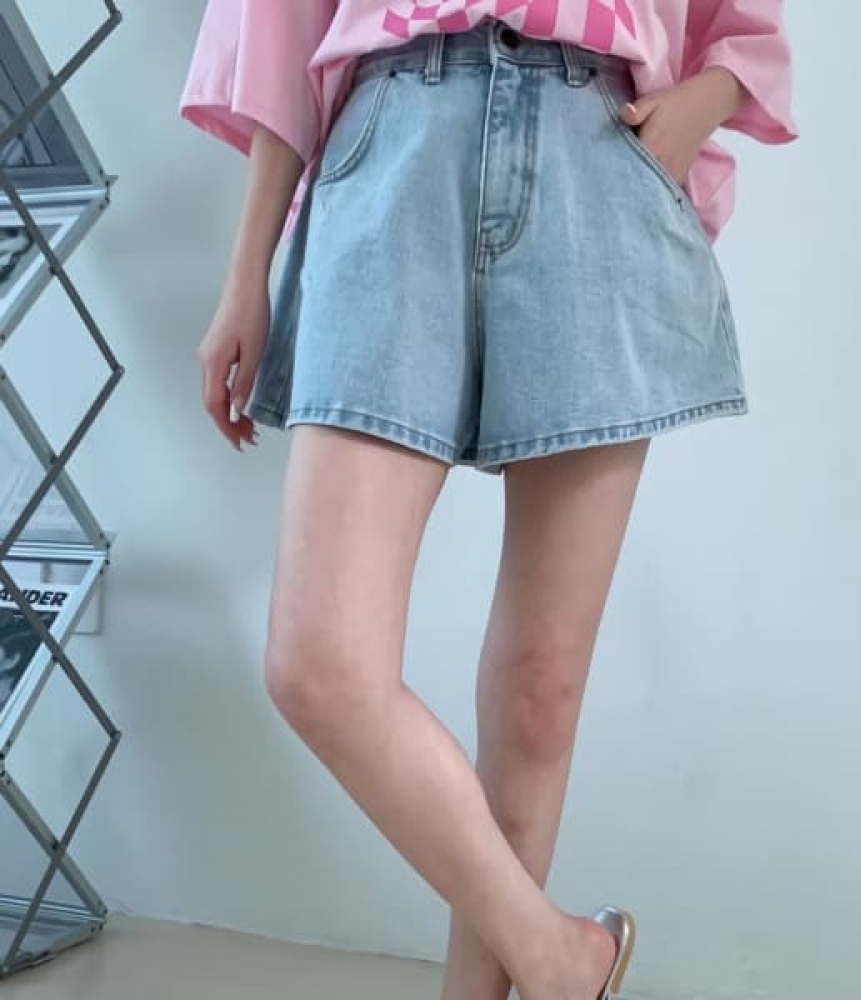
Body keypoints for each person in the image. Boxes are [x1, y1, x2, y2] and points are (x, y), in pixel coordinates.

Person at [179, 3, 796, 999]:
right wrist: (245, 272)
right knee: (318, 664)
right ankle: (559, 960)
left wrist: (705, 101)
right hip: (393, 140)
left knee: (537, 697)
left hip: (597, 154)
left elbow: (746, 19)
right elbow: (279, 21)